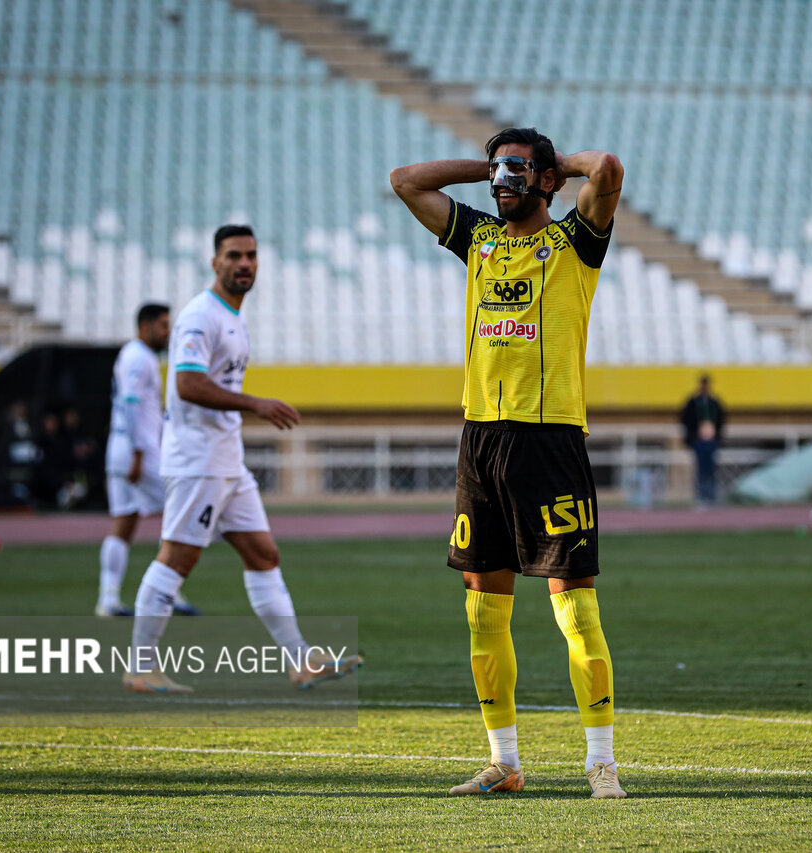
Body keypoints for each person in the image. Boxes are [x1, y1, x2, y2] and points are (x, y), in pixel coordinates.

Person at [391, 127, 627, 798]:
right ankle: (505, 762)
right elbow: (406, 180)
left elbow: (607, 168)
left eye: (516, 170)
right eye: (498, 170)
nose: (503, 180)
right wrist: (491, 168)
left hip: (550, 442)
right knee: (482, 612)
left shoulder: (576, 241)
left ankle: (601, 763)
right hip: (481, 441)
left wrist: (549, 165)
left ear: (548, 180)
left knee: (575, 609)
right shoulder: (479, 238)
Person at [124, 224, 359, 694]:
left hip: (226, 460)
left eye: (251, 255)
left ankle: (301, 661)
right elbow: (188, 384)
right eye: (234, 255)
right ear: (215, 262)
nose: (244, 263)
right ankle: (140, 666)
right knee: (178, 557)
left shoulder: (231, 315)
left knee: (263, 554)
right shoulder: (200, 316)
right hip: (199, 460)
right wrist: (255, 404)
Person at [97, 304, 201, 619]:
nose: (168, 332)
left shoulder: (134, 355)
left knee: (124, 523)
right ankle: (167, 592)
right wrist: (139, 453)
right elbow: (130, 403)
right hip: (137, 450)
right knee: (180, 511)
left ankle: (108, 598)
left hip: (122, 447)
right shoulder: (138, 357)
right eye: (163, 325)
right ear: (146, 326)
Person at [680, 374, 726, 507]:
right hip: (698, 441)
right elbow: (685, 419)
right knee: (700, 469)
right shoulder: (693, 402)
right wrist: (693, 434)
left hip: (711, 441)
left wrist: (716, 434)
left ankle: (711, 497)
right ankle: (700, 497)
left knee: (711, 469)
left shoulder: (714, 402)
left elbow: (721, 419)